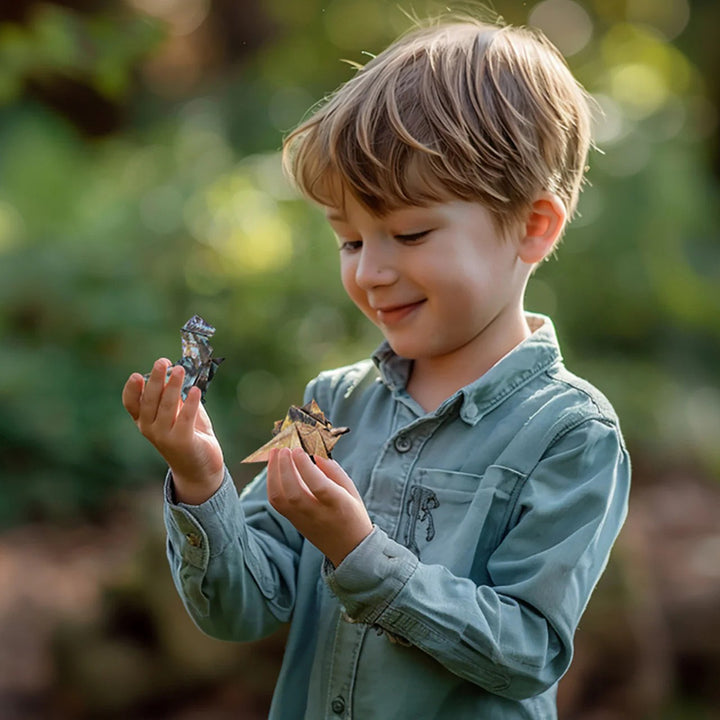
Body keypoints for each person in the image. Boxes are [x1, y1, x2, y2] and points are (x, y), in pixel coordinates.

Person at [122, 14, 630, 720]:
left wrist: (357, 552)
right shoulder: (326, 404)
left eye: (410, 233)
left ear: (533, 226)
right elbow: (239, 611)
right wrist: (202, 479)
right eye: (349, 240)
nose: (373, 272)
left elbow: (527, 653)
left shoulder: (572, 433)